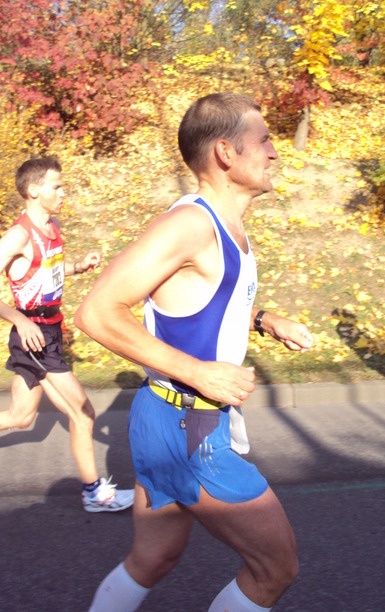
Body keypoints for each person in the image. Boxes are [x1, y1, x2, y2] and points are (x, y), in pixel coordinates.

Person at [75, 93, 314, 610]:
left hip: (168, 418)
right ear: (226, 152)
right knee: (276, 568)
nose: (274, 152)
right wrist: (199, 373)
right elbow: (96, 311)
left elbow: (200, 302)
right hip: (188, 424)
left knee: (152, 559)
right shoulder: (191, 225)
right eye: (264, 140)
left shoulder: (224, 225)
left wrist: (265, 320)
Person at [0, 156, 134, 513]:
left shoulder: (52, 227)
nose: (63, 192)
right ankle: (94, 493)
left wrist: (77, 266)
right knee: (83, 412)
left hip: (50, 332)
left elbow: (46, 271)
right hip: (34, 337)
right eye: (56, 186)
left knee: (20, 417)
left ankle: (94, 493)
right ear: (33, 190)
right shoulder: (19, 235)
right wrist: (20, 321)